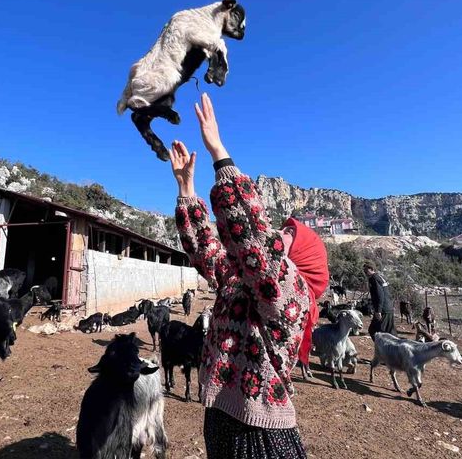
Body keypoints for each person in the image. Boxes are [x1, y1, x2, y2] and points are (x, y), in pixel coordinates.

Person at [170, 93, 328, 459]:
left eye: (288, 237)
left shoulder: (291, 292)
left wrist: (218, 153)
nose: (278, 238)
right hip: (225, 417)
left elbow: (254, 243)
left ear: (302, 259)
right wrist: (186, 190)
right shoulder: (245, 283)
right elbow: (208, 254)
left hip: (260, 433)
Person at [364, 263, 396, 337]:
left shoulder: (373, 278)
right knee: (390, 332)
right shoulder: (379, 277)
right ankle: (396, 347)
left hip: (383, 310)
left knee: (374, 331)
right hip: (388, 307)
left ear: (372, 269)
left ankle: (382, 348)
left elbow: (380, 295)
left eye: (366, 270)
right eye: (364, 271)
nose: (365, 272)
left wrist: (378, 310)